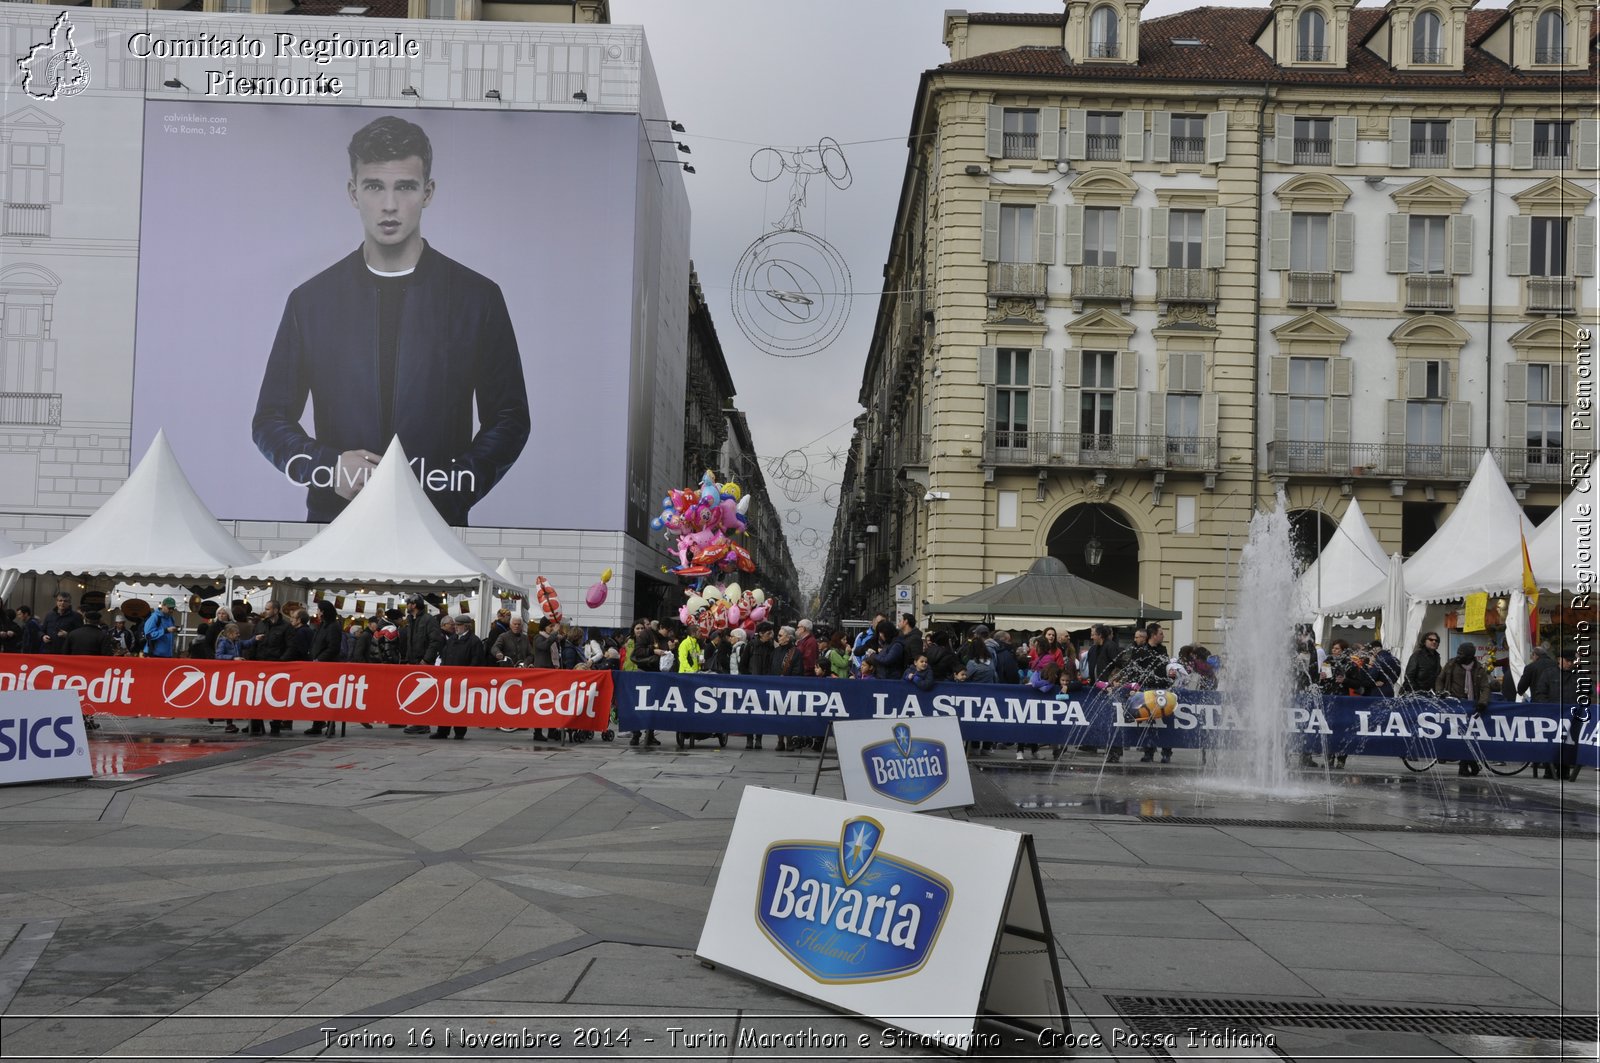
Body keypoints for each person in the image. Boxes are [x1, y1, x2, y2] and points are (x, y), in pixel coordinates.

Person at [251, 115, 531, 526]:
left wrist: (453, 485)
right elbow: (270, 419)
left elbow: (509, 418)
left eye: (405, 187)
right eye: (374, 186)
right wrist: (326, 467)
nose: (389, 205)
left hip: (435, 527)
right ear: (353, 192)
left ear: (427, 192)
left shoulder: (477, 299)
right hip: (336, 526)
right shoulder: (311, 302)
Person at [1436, 641, 1490, 775]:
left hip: (1471, 705)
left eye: (1462, 654)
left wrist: (1482, 702)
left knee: (1469, 736)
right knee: (1459, 736)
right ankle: (1468, 764)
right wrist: (1440, 692)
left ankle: (1467, 764)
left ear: (1470, 656)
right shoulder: (1451, 664)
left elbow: (1485, 687)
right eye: (1458, 653)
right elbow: (1440, 679)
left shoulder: (1478, 668)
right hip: (1454, 704)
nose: (1458, 656)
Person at [433, 615, 484, 740]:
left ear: (466, 626)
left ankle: (459, 731)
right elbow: (445, 655)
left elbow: (476, 661)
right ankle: (442, 730)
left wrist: (469, 676)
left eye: (458, 625)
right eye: (455, 625)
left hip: (463, 679)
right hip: (448, 678)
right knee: (445, 705)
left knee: (460, 706)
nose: (455, 627)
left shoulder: (474, 641)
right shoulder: (452, 639)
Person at [304, 601, 345, 736]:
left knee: (328, 696)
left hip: (328, 666)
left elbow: (333, 647)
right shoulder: (322, 625)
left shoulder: (333, 626)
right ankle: (317, 723)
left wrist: (319, 658)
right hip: (318, 665)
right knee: (317, 696)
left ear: (324, 611)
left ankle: (330, 725)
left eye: (319, 610)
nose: (318, 612)